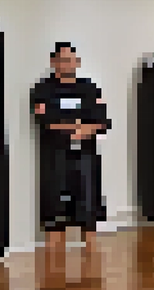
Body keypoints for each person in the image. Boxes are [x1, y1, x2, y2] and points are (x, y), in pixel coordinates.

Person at [31, 42, 110, 266]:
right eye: (63, 60)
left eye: (72, 60)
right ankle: (53, 268)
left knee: (88, 208)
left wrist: (85, 129)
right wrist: (75, 127)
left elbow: (102, 121)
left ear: (78, 63)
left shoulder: (89, 88)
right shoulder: (43, 89)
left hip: (86, 158)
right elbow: (45, 120)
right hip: (55, 159)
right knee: (55, 211)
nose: (68, 64)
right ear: (54, 62)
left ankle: (93, 266)